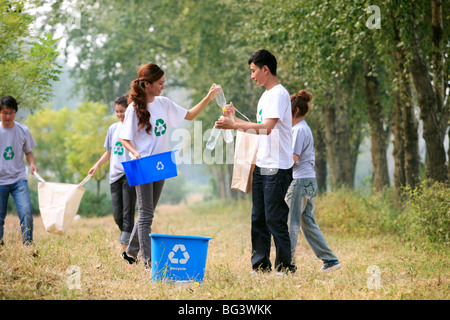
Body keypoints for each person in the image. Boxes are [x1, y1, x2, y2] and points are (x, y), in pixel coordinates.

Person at [119, 63, 219, 268]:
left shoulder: (163, 103)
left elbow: (189, 115)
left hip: (162, 162)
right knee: (146, 214)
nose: (162, 87)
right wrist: (134, 152)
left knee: (149, 211)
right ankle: (148, 262)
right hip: (142, 163)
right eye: (159, 83)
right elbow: (124, 139)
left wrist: (208, 98)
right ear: (146, 84)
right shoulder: (133, 108)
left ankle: (131, 252)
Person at [216, 49, 295, 273]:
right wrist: (233, 118)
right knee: (258, 217)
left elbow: (267, 129)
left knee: (274, 218)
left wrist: (234, 126)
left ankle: (284, 268)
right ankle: (260, 265)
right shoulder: (265, 96)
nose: (252, 76)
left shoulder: (279, 94)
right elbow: (256, 128)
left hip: (277, 166)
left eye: (253, 71)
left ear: (265, 69)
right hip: (261, 164)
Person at [285, 89, 341, 273]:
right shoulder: (303, 128)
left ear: (296, 112)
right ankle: (331, 260)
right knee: (308, 223)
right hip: (309, 181)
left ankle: (287, 265)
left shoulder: (299, 130)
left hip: (301, 181)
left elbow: (291, 159)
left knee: (291, 223)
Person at [88, 95, 137, 246]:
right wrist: (97, 165)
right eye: (117, 111)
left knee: (128, 213)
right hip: (114, 176)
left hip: (130, 173)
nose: (119, 114)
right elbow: (109, 152)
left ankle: (127, 246)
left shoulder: (136, 128)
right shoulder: (113, 129)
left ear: (129, 110)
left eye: (122, 111)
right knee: (118, 216)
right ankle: (135, 240)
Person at [0, 96, 38, 245]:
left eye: (10, 112)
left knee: (26, 212)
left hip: (18, 179)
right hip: (0, 180)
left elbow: (28, 152)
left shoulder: (23, 130)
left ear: (15, 112)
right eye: (4, 112)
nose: (7, 116)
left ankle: (27, 243)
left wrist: (32, 164)